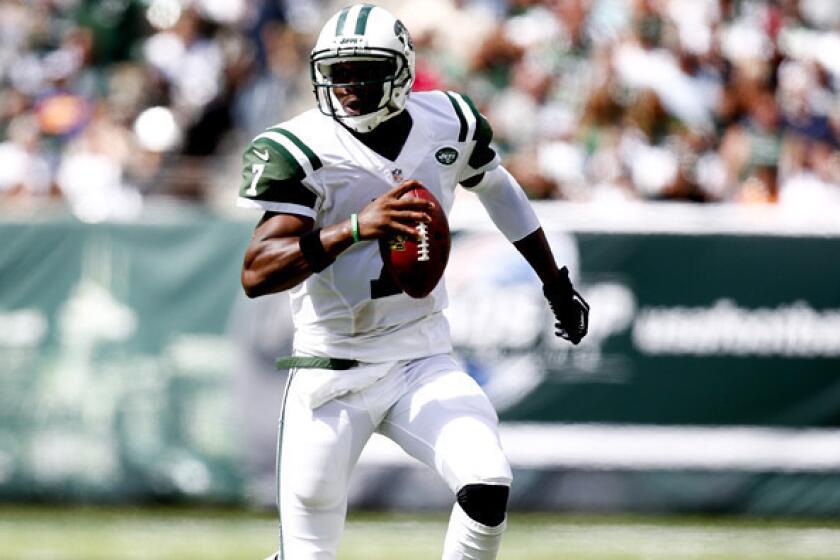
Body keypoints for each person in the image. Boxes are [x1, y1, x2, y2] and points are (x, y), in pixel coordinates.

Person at [237, 5, 589, 559]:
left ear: (400, 71)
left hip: (420, 357)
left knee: (487, 481)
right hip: (331, 370)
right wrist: (354, 228)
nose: (347, 87)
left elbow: (497, 187)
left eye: (364, 71)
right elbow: (256, 272)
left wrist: (555, 282)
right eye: (338, 73)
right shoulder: (303, 147)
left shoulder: (448, 120)